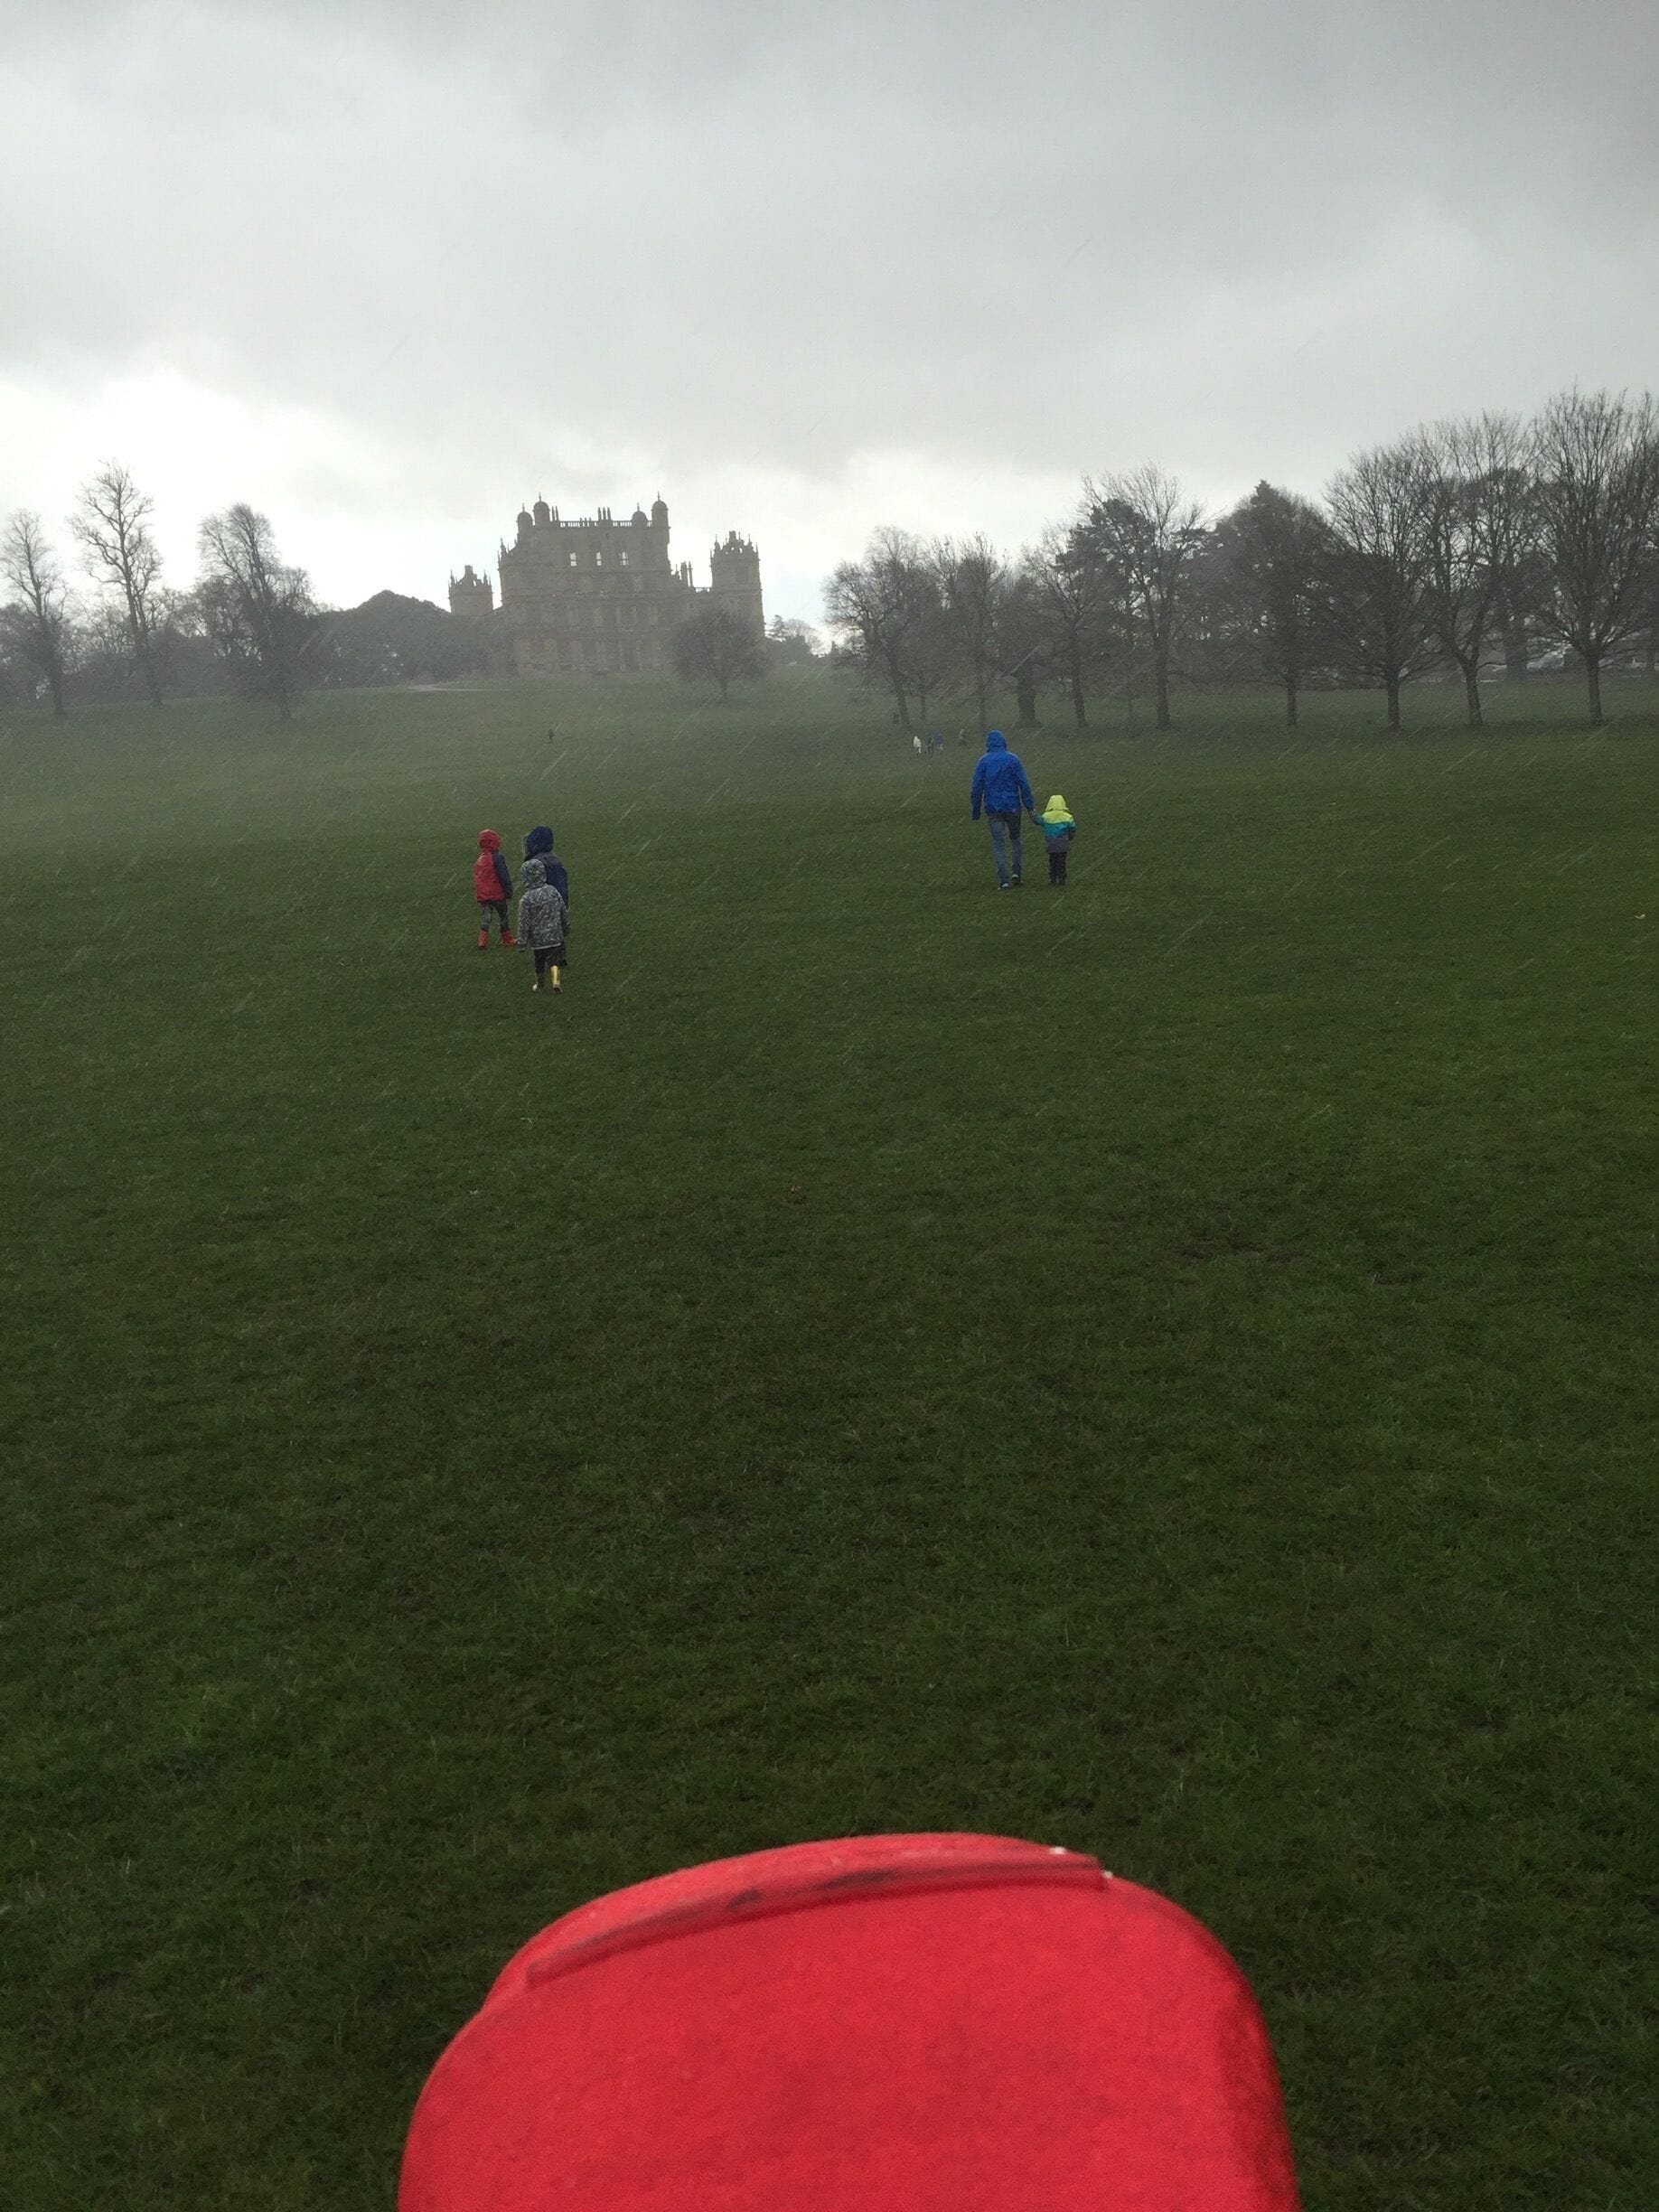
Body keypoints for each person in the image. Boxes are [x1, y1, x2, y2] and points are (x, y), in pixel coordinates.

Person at [969, 729, 1037, 889]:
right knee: (1015, 839)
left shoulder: (983, 762)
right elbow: (1024, 784)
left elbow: (976, 787)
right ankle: (1017, 873)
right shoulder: (1013, 759)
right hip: (1013, 806)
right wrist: (1030, 807)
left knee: (998, 843)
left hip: (993, 808)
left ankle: (1003, 880)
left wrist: (976, 810)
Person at [516, 858, 567, 994]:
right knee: (554, 960)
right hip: (555, 934)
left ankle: (540, 984)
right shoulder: (552, 891)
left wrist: (522, 942)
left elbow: (523, 922)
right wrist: (565, 926)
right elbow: (562, 909)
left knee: (539, 961)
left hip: (538, 939)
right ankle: (556, 982)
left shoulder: (526, 899)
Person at [473, 830, 515, 949]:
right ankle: (507, 937)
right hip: (497, 894)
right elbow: (503, 875)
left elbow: (478, 880)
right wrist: (508, 890)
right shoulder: (497, 857)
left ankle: (482, 940)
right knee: (503, 915)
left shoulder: (480, 860)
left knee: (486, 916)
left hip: (484, 895)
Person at [522, 825, 569, 908]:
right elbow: (562, 889)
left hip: (539, 909)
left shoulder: (534, 864)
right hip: (555, 908)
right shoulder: (555, 861)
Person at [1038, 792, 1078, 884]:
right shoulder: (1067, 817)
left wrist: (1032, 813)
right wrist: (1070, 837)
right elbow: (1072, 828)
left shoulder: (1046, 816)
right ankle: (1061, 878)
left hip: (1051, 843)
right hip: (1063, 843)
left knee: (1052, 860)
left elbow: (1038, 820)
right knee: (1062, 861)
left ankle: (1052, 877)